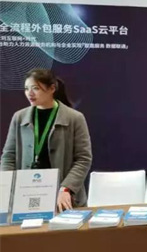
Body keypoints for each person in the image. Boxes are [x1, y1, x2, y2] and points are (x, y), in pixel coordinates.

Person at [1, 68, 92, 211]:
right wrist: (6, 188)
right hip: (26, 194)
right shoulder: (19, 117)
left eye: (35, 88)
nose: (30, 93)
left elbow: (83, 159)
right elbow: (8, 157)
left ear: (52, 88)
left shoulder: (75, 118)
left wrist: (66, 188)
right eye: (26, 89)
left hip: (63, 196)